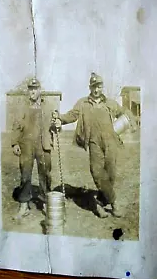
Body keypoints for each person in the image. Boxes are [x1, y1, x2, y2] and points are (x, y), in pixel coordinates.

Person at [51, 73, 127, 218]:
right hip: (94, 143)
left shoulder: (110, 103)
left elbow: (124, 113)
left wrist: (128, 122)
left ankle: (99, 203)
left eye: (99, 86)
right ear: (90, 88)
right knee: (97, 172)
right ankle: (114, 203)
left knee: (110, 175)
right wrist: (59, 117)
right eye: (94, 87)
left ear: (102, 87)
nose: (97, 90)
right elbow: (72, 115)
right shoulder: (83, 103)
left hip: (111, 143)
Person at [12, 77, 53, 219]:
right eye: (30, 89)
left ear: (40, 90)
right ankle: (24, 205)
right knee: (25, 174)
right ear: (28, 91)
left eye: (35, 89)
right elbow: (16, 125)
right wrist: (15, 143)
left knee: (45, 175)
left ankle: (46, 203)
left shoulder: (47, 106)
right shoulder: (22, 107)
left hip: (43, 145)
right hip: (26, 145)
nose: (33, 92)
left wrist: (57, 124)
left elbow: (54, 123)